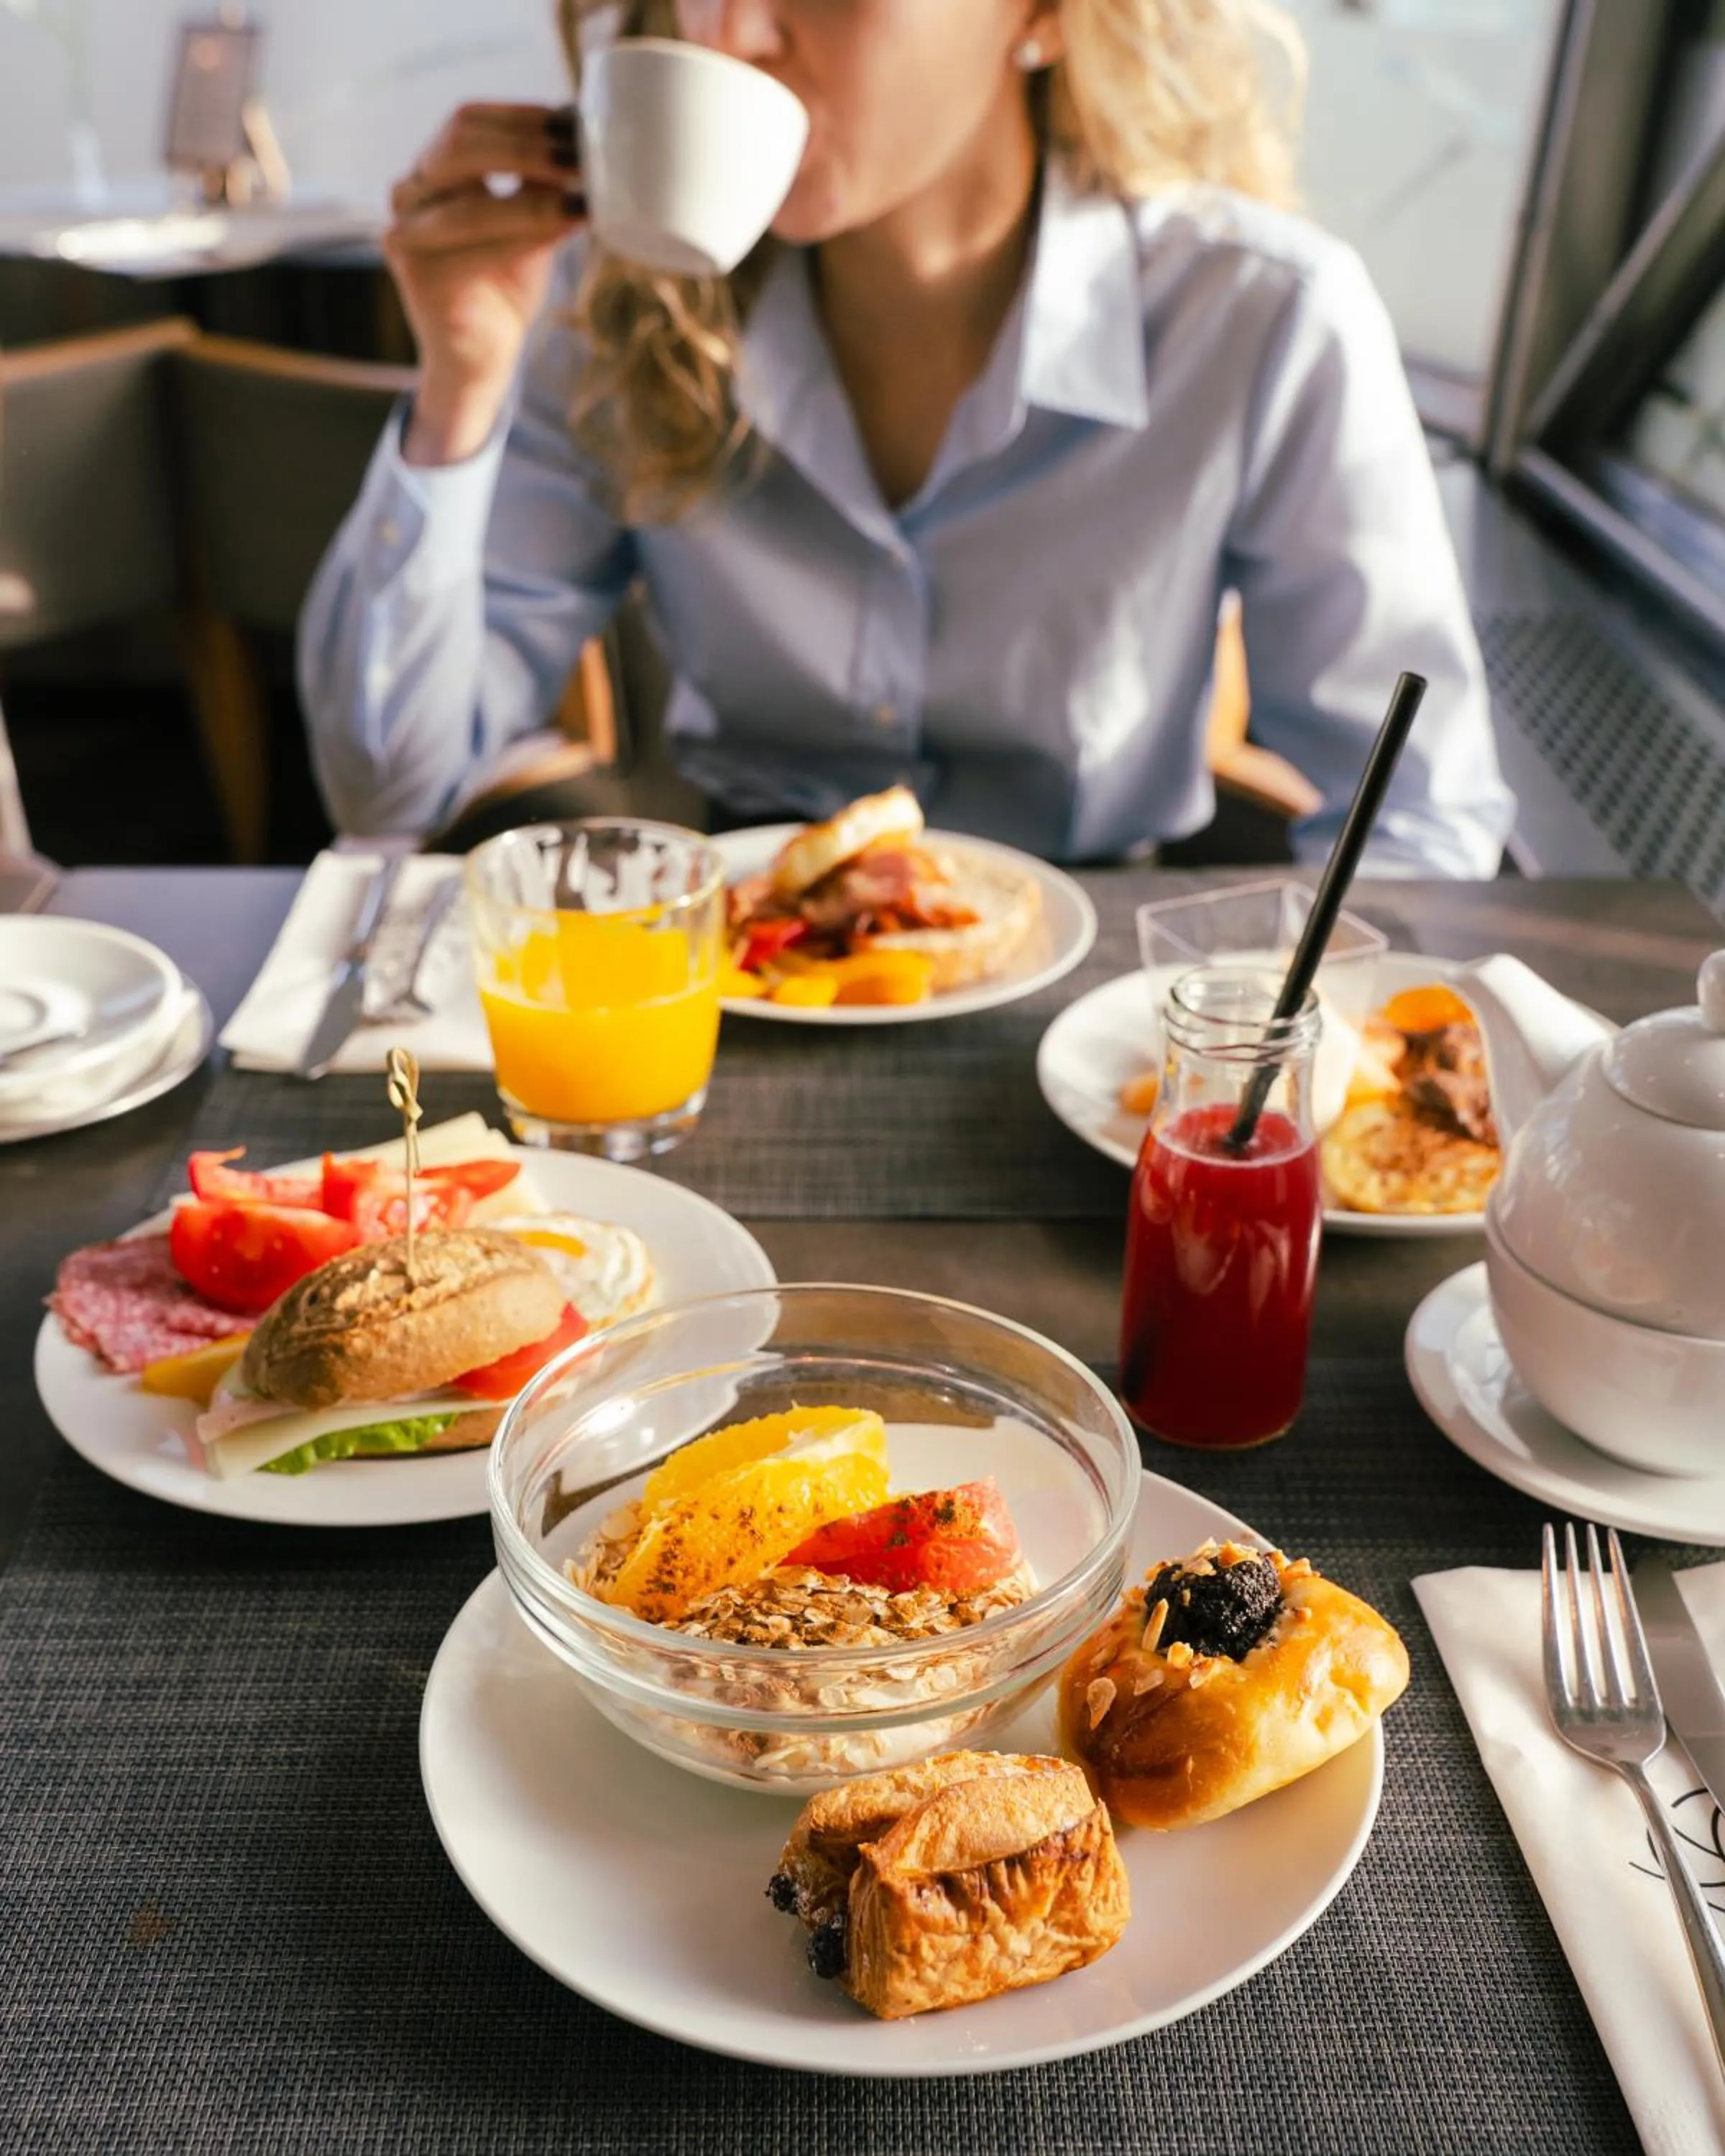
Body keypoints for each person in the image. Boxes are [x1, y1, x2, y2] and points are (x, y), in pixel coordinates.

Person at [299, 0, 1514, 874]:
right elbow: (391, 789)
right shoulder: (605, 306)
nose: (729, 34)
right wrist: (461, 382)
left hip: (1087, 1003)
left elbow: (1420, 813)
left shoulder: (1259, 317)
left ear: (1043, 18)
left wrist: (1285, 1064)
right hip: (737, 981)